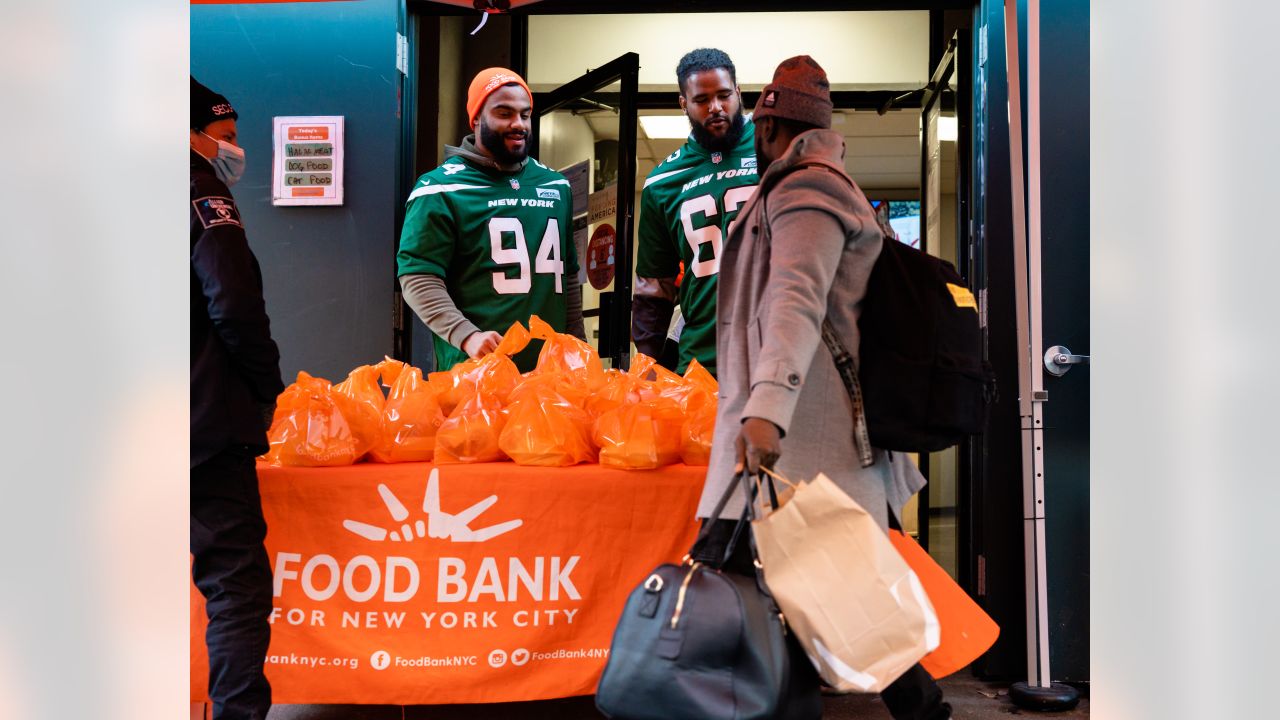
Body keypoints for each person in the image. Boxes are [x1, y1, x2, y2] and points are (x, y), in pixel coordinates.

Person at [693, 57, 953, 720]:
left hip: (801, 441)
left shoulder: (804, 191)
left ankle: (916, 708)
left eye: (758, 121)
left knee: (790, 594)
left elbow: (795, 302)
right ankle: (915, 706)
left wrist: (766, 412)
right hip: (805, 440)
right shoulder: (810, 185)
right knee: (816, 597)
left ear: (772, 122)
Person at [190, 76, 283, 720]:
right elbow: (234, 302)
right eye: (223, 138)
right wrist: (266, 389)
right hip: (200, 420)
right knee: (234, 582)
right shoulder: (198, 187)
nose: (232, 150)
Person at [398, 67, 583, 372]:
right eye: (504, 113)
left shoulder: (556, 185)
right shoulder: (440, 188)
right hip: (475, 379)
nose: (518, 124)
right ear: (476, 119)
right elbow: (417, 276)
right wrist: (466, 335)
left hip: (551, 377)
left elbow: (569, 278)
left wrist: (578, 348)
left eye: (525, 115)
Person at [633, 48, 758, 377]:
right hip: (702, 359)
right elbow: (654, 288)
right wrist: (645, 365)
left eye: (724, 95)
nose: (716, 107)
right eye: (702, 99)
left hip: (773, 353)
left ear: (739, 93)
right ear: (683, 104)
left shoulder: (775, 151)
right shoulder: (662, 182)